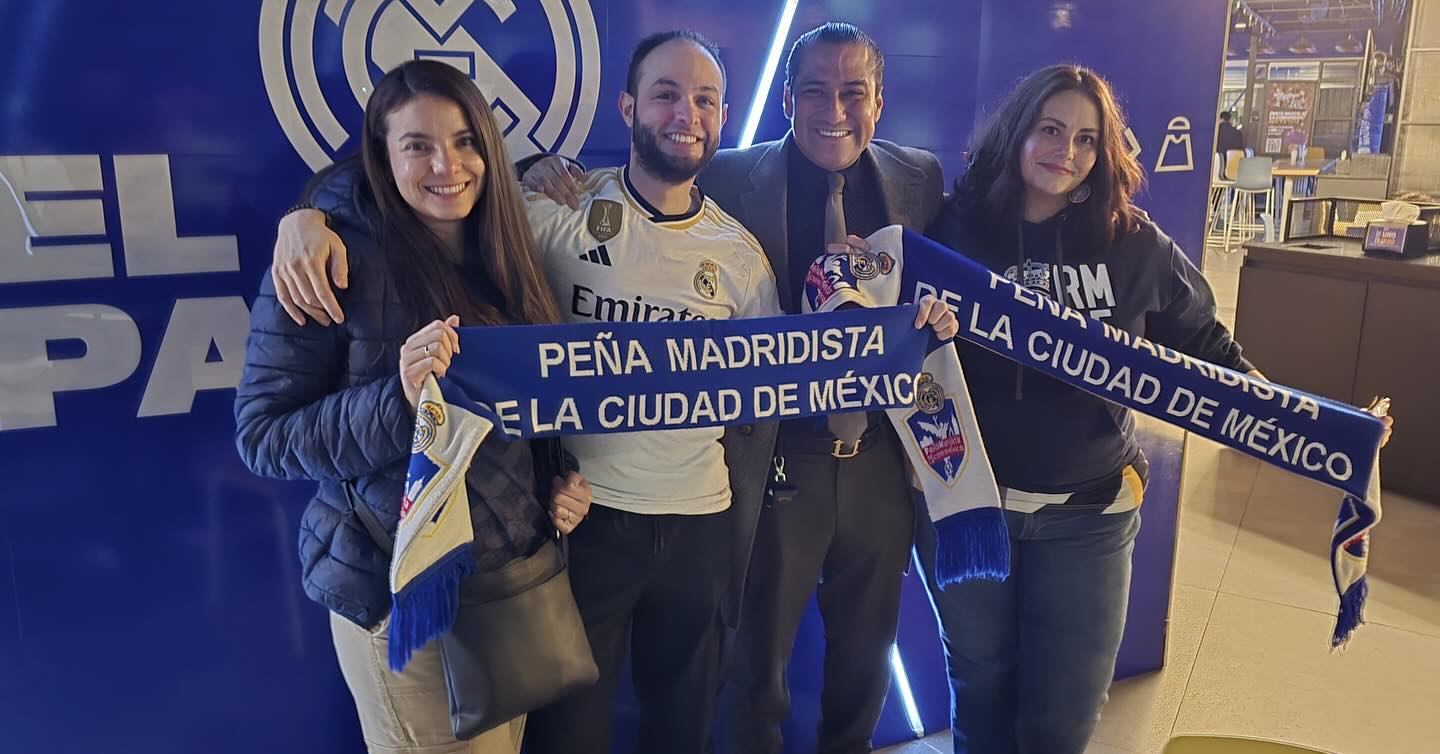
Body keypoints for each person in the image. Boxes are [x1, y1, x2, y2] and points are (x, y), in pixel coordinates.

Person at [270, 27, 959, 753]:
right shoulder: (553, 214)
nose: (685, 115)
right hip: (582, 521)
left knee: (683, 730)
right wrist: (310, 211)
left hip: (701, 524)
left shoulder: (741, 255)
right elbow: (445, 194)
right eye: (666, 95)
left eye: (704, 100)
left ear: (723, 118)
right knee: (570, 733)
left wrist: (909, 335)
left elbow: (790, 371)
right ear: (628, 107)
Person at [526, 21, 948, 754]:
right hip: (722, 480)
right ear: (785, 99)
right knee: (738, 680)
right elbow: (460, 203)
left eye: (853, 93)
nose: (834, 110)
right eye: (814, 91)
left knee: (858, 662)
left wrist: (916, 324)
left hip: (853, 468)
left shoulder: (918, 181)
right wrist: (534, 166)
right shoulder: (701, 178)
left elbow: (959, 281)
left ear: (879, 103)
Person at [234, 60, 592, 754]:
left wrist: (560, 478)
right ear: (382, 155)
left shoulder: (507, 247)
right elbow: (264, 436)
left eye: (464, 142)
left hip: (506, 591)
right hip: (402, 603)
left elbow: (521, 410)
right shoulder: (325, 260)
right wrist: (401, 400)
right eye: (417, 146)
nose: (446, 166)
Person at [921, 64, 1261, 754]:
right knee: (979, 696)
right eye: (1050, 130)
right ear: (1017, 132)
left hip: (1090, 515)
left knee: (1064, 717)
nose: (1066, 152)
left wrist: (1297, 415)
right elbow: (896, 337)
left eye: (1085, 139)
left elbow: (1206, 344)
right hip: (968, 506)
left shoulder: (1132, 242)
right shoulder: (951, 230)